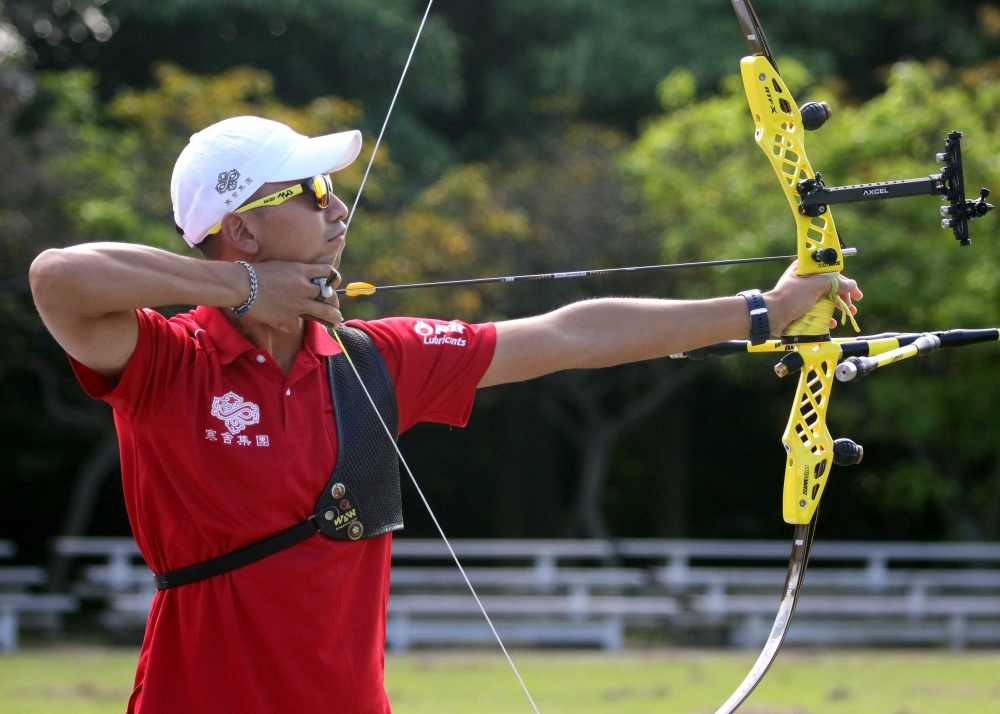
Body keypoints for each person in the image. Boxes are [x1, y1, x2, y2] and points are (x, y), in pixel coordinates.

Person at [28, 116, 861, 713]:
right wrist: (241, 291)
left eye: (334, 192)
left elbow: (569, 333)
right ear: (240, 230)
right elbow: (58, 276)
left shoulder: (374, 359)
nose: (337, 211)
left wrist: (763, 309)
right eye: (312, 192)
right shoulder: (167, 361)